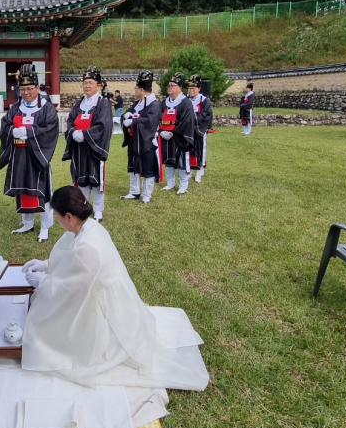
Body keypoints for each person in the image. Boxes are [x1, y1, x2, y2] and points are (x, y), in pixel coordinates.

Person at [20, 186, 209, 391]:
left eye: (57, 216)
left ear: (69, 216)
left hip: (105, 306)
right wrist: (46, 265)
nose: (57, 221)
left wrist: (42, 281)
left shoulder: (87, 246)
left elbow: (71, 287)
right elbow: (70, 262)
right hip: (103, 290)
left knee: (46, 335)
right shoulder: (89, 226)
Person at [0, 63, 60, 242]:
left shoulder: (46, 108)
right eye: (22, 89)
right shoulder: (16, 107)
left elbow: (50, 129)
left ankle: (45, 226)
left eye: (29, 89)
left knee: (42, 190)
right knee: (22, 188)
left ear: (38, 88)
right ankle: (27, 222)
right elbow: (5, 125)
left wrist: (28, 132)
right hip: (19, 155)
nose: (25, 93)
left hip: (37, 155)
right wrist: (12, 131)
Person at [62, 65, 113, 222]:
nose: (87, 85)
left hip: (94, 148)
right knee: (82, 178)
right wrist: (72, 132)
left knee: (96, 180)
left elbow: (103, 125)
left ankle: (98, 209)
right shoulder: (79, 104)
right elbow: (70, 121)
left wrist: (85, 135)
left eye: (91, 82)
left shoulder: (102, 104)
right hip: (79, 149)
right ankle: (85, 206)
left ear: (98, 85)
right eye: (85, 82)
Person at [121, 70, 161, 203]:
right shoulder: (137, 104)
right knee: (133, 167)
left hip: (147, 141)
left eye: (136, 88)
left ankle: (147, 194)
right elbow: (128, 113)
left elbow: (150, 120)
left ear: (142, 90)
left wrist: (133, 121)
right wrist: (126, 116)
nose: (134, 91)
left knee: (148, 167)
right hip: (134, 140)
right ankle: (134, 191)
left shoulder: (154, 105)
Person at [158, 72, 195, 195]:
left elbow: (186, 121)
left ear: (180, 88)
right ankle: (170, 183)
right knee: (169, 160)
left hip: (179, 137)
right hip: (165, 136)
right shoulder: (164, 103)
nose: (170, 88)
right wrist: (161, 131)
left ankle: (183, 185)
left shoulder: (185, 103)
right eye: (168, 85)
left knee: (181, 161)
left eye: (172, 85)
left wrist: (173, 132)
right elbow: (157, 117)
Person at [187, 75, 213, 183]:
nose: (191, 90)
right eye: (189, 88)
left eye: (193, 88)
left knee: (201, 150)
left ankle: (199, 172)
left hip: (199, 129)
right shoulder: (186, 99)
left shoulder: (204, 100)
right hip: (188, 129)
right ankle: (188, 171)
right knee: (187, 151)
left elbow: (206, 115)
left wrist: (193, 118)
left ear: (199, 89)